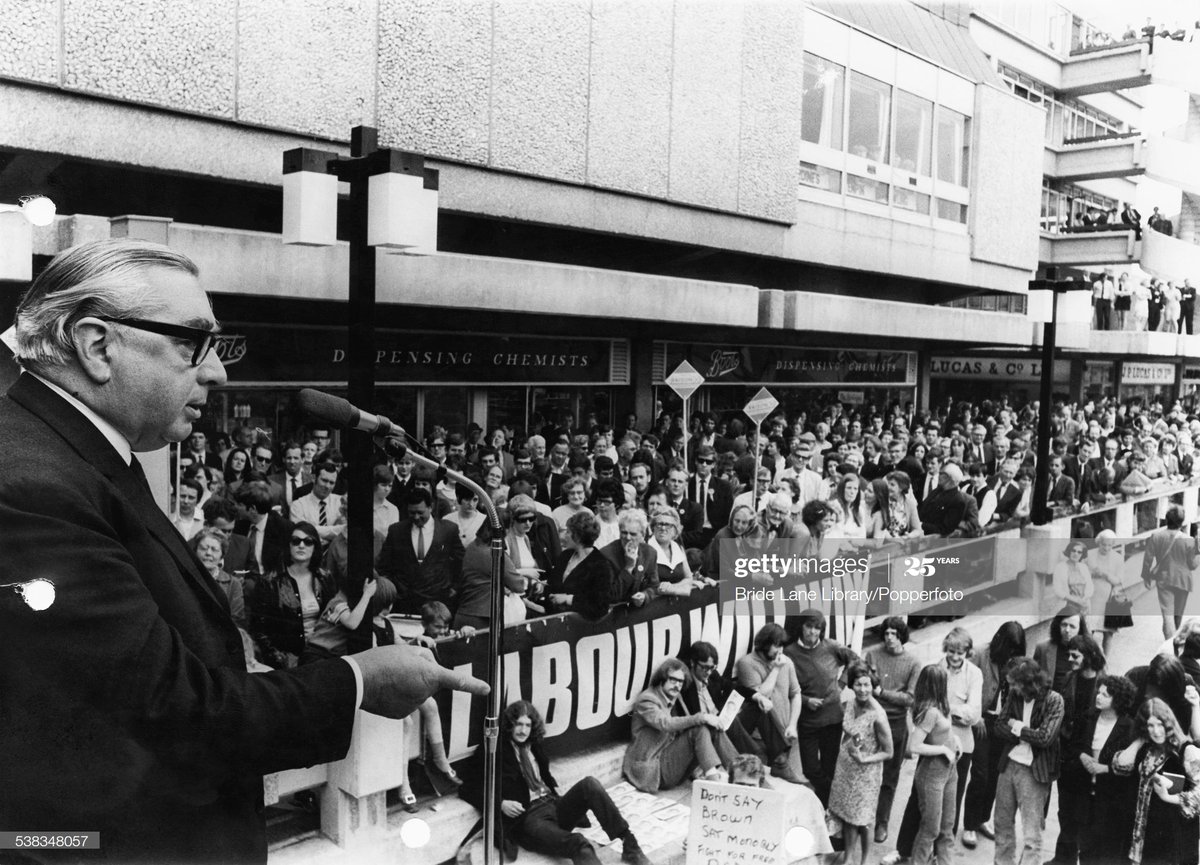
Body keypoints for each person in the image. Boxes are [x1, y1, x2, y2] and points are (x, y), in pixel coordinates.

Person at [0, 238, 487, 863]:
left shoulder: (79, 457)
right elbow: (178, 717)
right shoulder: (33, 488)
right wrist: (358, 680)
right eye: (191, 343)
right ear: (98, 346)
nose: (217, 372)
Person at [463, 700, 652, 865]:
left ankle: (630, 846)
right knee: (579, 843)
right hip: (529, 819)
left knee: (590, 784)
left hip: (552, 804)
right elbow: (467, 788)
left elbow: (544, 776)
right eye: (518, 724)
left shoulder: (533, 744)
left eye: (528, 725)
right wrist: (500, 804)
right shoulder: (493, 750)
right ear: (509, 725)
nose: (523, 730)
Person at [992, 657, 1065, 865]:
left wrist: (1016, 726)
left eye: (1015, 684)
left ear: (1029, 682)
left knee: (1032, 833)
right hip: (1009, 765)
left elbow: (1045, 738)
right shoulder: (1015, 696)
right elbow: (998, 726)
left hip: (1034, 771)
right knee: (1002, 824)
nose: (1012, 688)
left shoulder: (1054, 700)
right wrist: (1025, 731)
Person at [962, 621, 1027, 848]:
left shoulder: (1016, 661)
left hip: (1002, 725)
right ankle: (969, 824)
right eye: (1009, 647)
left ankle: (982, 819)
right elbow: (964, 685)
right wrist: (975, 715)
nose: (1011, 653)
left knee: (994, 776)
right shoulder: (980, 653)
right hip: (981, 721)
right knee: (980, 775)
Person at [1112, 697, 1200, 865]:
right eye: (1150, 725)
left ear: (1169, 724)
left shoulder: (1186, 751)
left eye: (1160, 724)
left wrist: (1169, 797)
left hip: (1169, 841)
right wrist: (1139, 740)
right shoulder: (1146, 748)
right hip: (1139, 837)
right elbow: (1119, 767)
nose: (1156, 731)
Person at [784, 609, 859, 805]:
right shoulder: (789, 652)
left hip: (832, 718)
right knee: (810, 769)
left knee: (830, 765)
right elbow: (786, 687)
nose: (812, 632)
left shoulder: (831, 646)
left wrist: (841, 684)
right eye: (809, 626)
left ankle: (825, 808)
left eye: (818, 628)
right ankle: (835, 798)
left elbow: (854, 659)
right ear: (801, 627)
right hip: (808, 720)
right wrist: (807, 700)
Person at [623, 658, 731, 792]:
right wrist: (702, 717)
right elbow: (665, 724)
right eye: (673, 680)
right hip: (653, 770)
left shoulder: (673, 697)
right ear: (662, 678)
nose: (677, 685)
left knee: (710, 728)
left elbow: (683, 726)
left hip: (672, 766)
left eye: (681, 681)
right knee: (699, 728)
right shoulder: (647, 700)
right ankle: (715, 785)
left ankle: (741, 771)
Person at [826, 660, 893, 865]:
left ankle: (864, 861)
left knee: (863, 819)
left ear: (873, 686)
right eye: (858, 684)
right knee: (847, 815)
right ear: (852, 685)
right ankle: (848, 857)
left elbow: (888, 752)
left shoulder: (878, 716)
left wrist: (865, 758)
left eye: (867, 685)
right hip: (846, 768)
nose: (863, 690)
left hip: (866, 773)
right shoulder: (850, 703)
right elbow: (851, 733)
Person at [864, 616, 921, 843]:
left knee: (889, 777)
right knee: (865, 773)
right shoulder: (873, 655)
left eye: (894, 634)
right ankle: (861, 819)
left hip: (896, 723)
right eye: (886, 633)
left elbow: (909, 698)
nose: (889, 638)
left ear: (902, 636)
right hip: (871, 720)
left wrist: (883, 693)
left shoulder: (913, 662)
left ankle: (882, 822)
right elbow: (865, 685)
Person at [1072, 675, 1137, 865]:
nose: (1098, 697)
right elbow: (1074, 744)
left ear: (1118, 699)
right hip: (1086, 794)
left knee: (1107, 851)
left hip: (1111, 800)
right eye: (1098, 693)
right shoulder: (1088, 717)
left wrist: (1106, 769)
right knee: (1085, 849)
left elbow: (1131, 767)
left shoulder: (1128, 727)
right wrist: (1082, 755)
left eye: (1105, 695)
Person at [734, 623, 805, 783]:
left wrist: (793, 724)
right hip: (758, 738)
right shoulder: (747, 663)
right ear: (764, 643)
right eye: (776, 645)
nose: (780, 651)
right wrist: (776, 670)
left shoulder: (786, 662)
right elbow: (760, 697)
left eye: (782, 646)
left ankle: (781, 763)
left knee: (786, 783)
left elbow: (796, 694)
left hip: (784, 733)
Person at [545, 511, 618, 620]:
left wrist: (569, 599)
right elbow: (552, 585)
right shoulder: (565, 556)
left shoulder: (601, 565)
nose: (564, 536)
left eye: (568, 532)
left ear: (578, 536)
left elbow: (600, 606)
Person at [1142, 505, 1197, 638]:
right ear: (1182, 522)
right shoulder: (1189, 540)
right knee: (1178, 614)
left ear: (1166, 520)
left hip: (1164, 578)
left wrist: (1146, 576)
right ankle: (1175, 641)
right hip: (1183, 580)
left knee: (1167, 615)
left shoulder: (1156, 536)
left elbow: (1148, 559)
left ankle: (1169, 642)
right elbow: (1192, 565)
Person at [1090, 530, 1130, 654]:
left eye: (1110, 545)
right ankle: (1089, 657)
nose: (1106, 548)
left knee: (1108, 633)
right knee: (1088, 630)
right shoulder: (1090, 554)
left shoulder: (1117, 558)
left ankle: (1105, 660)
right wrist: (1094, 573)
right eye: (1104, 544)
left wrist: (1104, 574)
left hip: (1109, 599)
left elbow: (1119, 579)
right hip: (1091, 597)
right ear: (1099, 543)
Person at [1053, 538, 1094, 616]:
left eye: (1079, 552)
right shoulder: (1060, 567)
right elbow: (1058, 590)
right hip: (1068, 604)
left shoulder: (1083, 567)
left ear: (1082, 555)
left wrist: (1084, 600)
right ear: (1069, 551)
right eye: (1073, 551)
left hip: (1083, 605)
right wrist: (1076, 600)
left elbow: (1090, 586)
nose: (1076, 554)